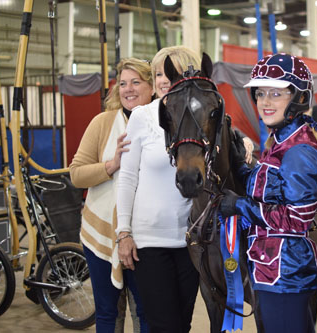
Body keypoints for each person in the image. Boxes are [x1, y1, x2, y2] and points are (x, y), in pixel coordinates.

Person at [219, 53, 317, 333]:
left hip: (286, 275)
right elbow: (270, 189)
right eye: (261, 94)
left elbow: (297, 219)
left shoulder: (300, 151)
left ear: (297, 98)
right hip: (270, 270)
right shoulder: (281, 142)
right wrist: (239, 166)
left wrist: (239, 206)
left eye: (276, 94)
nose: (265, 102)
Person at [115, 46, 202, 333]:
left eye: (171, 72)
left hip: (190, 240)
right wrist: (124, 233)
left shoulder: (201, 116)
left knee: (183, 324)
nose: (164, 80)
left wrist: (244, 141)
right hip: (149, 242)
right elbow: (127, 177)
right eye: (158, 73)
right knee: (164, 325)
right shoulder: (142, 116)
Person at [70, 58, 152, 333]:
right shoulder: (103, 122)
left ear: (152, 87)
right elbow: (77, 174)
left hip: (146, 236)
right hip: (101, 234)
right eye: (123, 83)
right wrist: (111, 165)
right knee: (107, 312)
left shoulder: (162, 122)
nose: (128, 89)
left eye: (136, 82)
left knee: (146, 312)